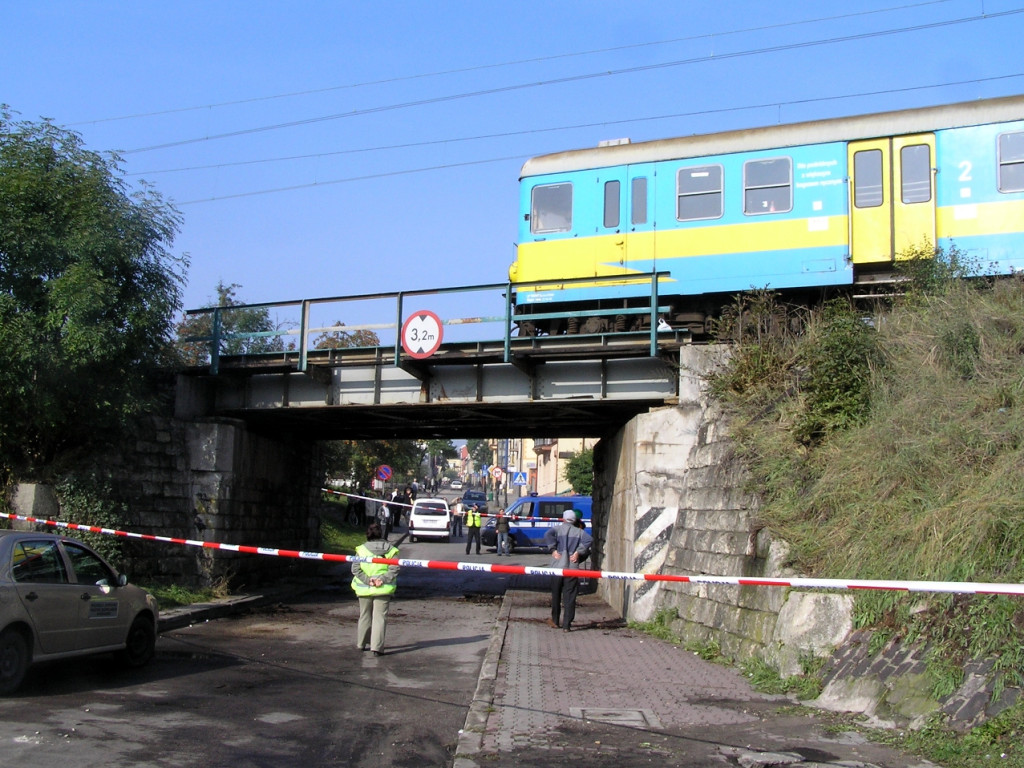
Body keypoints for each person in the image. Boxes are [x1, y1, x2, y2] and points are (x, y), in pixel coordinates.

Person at [351, 522, 400, 656]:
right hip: (383, 588)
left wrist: (368, 581)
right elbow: (394, 568)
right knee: (380, 618)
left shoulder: (361, 549)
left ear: (368, 534)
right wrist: (381, 580)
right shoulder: (391, 550)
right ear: (382, 534)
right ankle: (377, 648)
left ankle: (361, 644)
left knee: (364, 616)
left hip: (364, 588)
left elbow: (355, 569)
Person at [543, 508, 592, 632]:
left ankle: (555, 620)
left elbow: (547, 534)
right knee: (570, 597)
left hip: (557, 568)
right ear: (574, 520)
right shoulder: (579, 532)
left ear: (563, 519)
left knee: (556, 595)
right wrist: (578, 552)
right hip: (572, 569)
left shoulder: (557, 529)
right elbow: (589, 540)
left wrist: (553, 550)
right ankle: (567, 625)